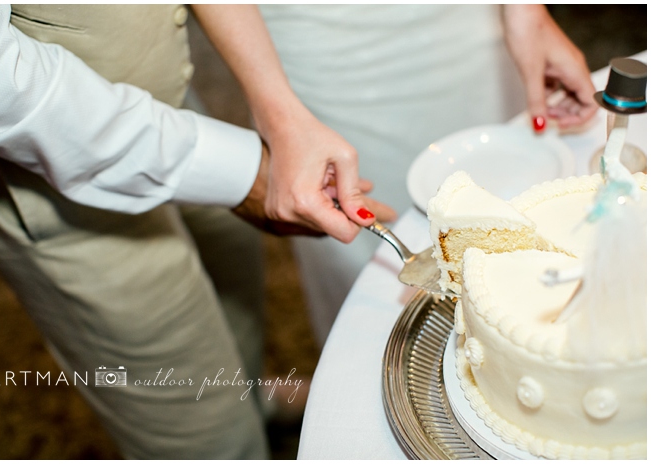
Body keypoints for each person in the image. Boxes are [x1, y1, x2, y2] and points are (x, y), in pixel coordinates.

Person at [0, 4, 393, 458]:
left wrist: (281, 112)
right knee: (194, 411)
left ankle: (248, 398)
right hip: (50, 162)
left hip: (166, 98)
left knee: (232, 258)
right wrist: (242, 174)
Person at [256, 4, 598, 347]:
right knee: (360, 267)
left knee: (507, 184)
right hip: (322, 39)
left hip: (466, 19)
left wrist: (526, 11)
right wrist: (279, 118)